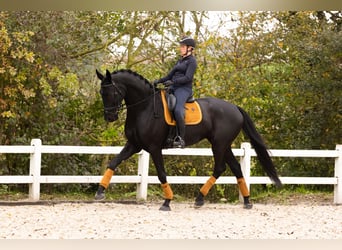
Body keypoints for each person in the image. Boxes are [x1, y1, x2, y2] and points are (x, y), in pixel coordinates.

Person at [153, 36, 197, 148]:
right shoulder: (180, 61)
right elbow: (169, 76)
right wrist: (158, 81)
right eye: (181, 46)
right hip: (174, 87)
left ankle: (181, 139)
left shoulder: (192, 61)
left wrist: (173, 82)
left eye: (183, 46)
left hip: (184, 89)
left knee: (177, 110)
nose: (181, 48)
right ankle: (167, 133)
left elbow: (188, 78)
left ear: (190, 48)